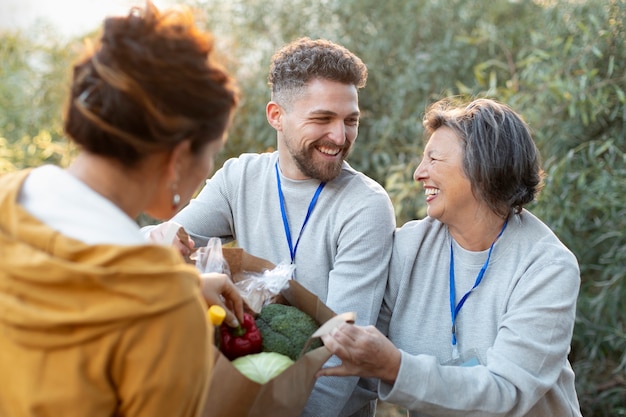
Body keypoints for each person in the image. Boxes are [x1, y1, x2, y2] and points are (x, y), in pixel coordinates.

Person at [0, 3, 243, 417]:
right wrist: (173, 297)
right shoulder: (161, 306)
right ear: (179, 156)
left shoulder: (9, 195)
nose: (207, 171)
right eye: (212, 153)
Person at [144, 37, 396, 416]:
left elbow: (339, 357)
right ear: (276, 115)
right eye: (322, 119)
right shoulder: (239, 177)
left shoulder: (365, 206)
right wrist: (158, 243)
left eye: (350, 121)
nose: (340, 137)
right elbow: (163, 246)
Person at [318, 97, 582, 417]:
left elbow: (507, 393)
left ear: (483, 167)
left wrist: (395, 367)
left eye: (434, 159)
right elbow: (356, 361)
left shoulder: (546, 268)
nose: (419, 173)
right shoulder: (408, 249)